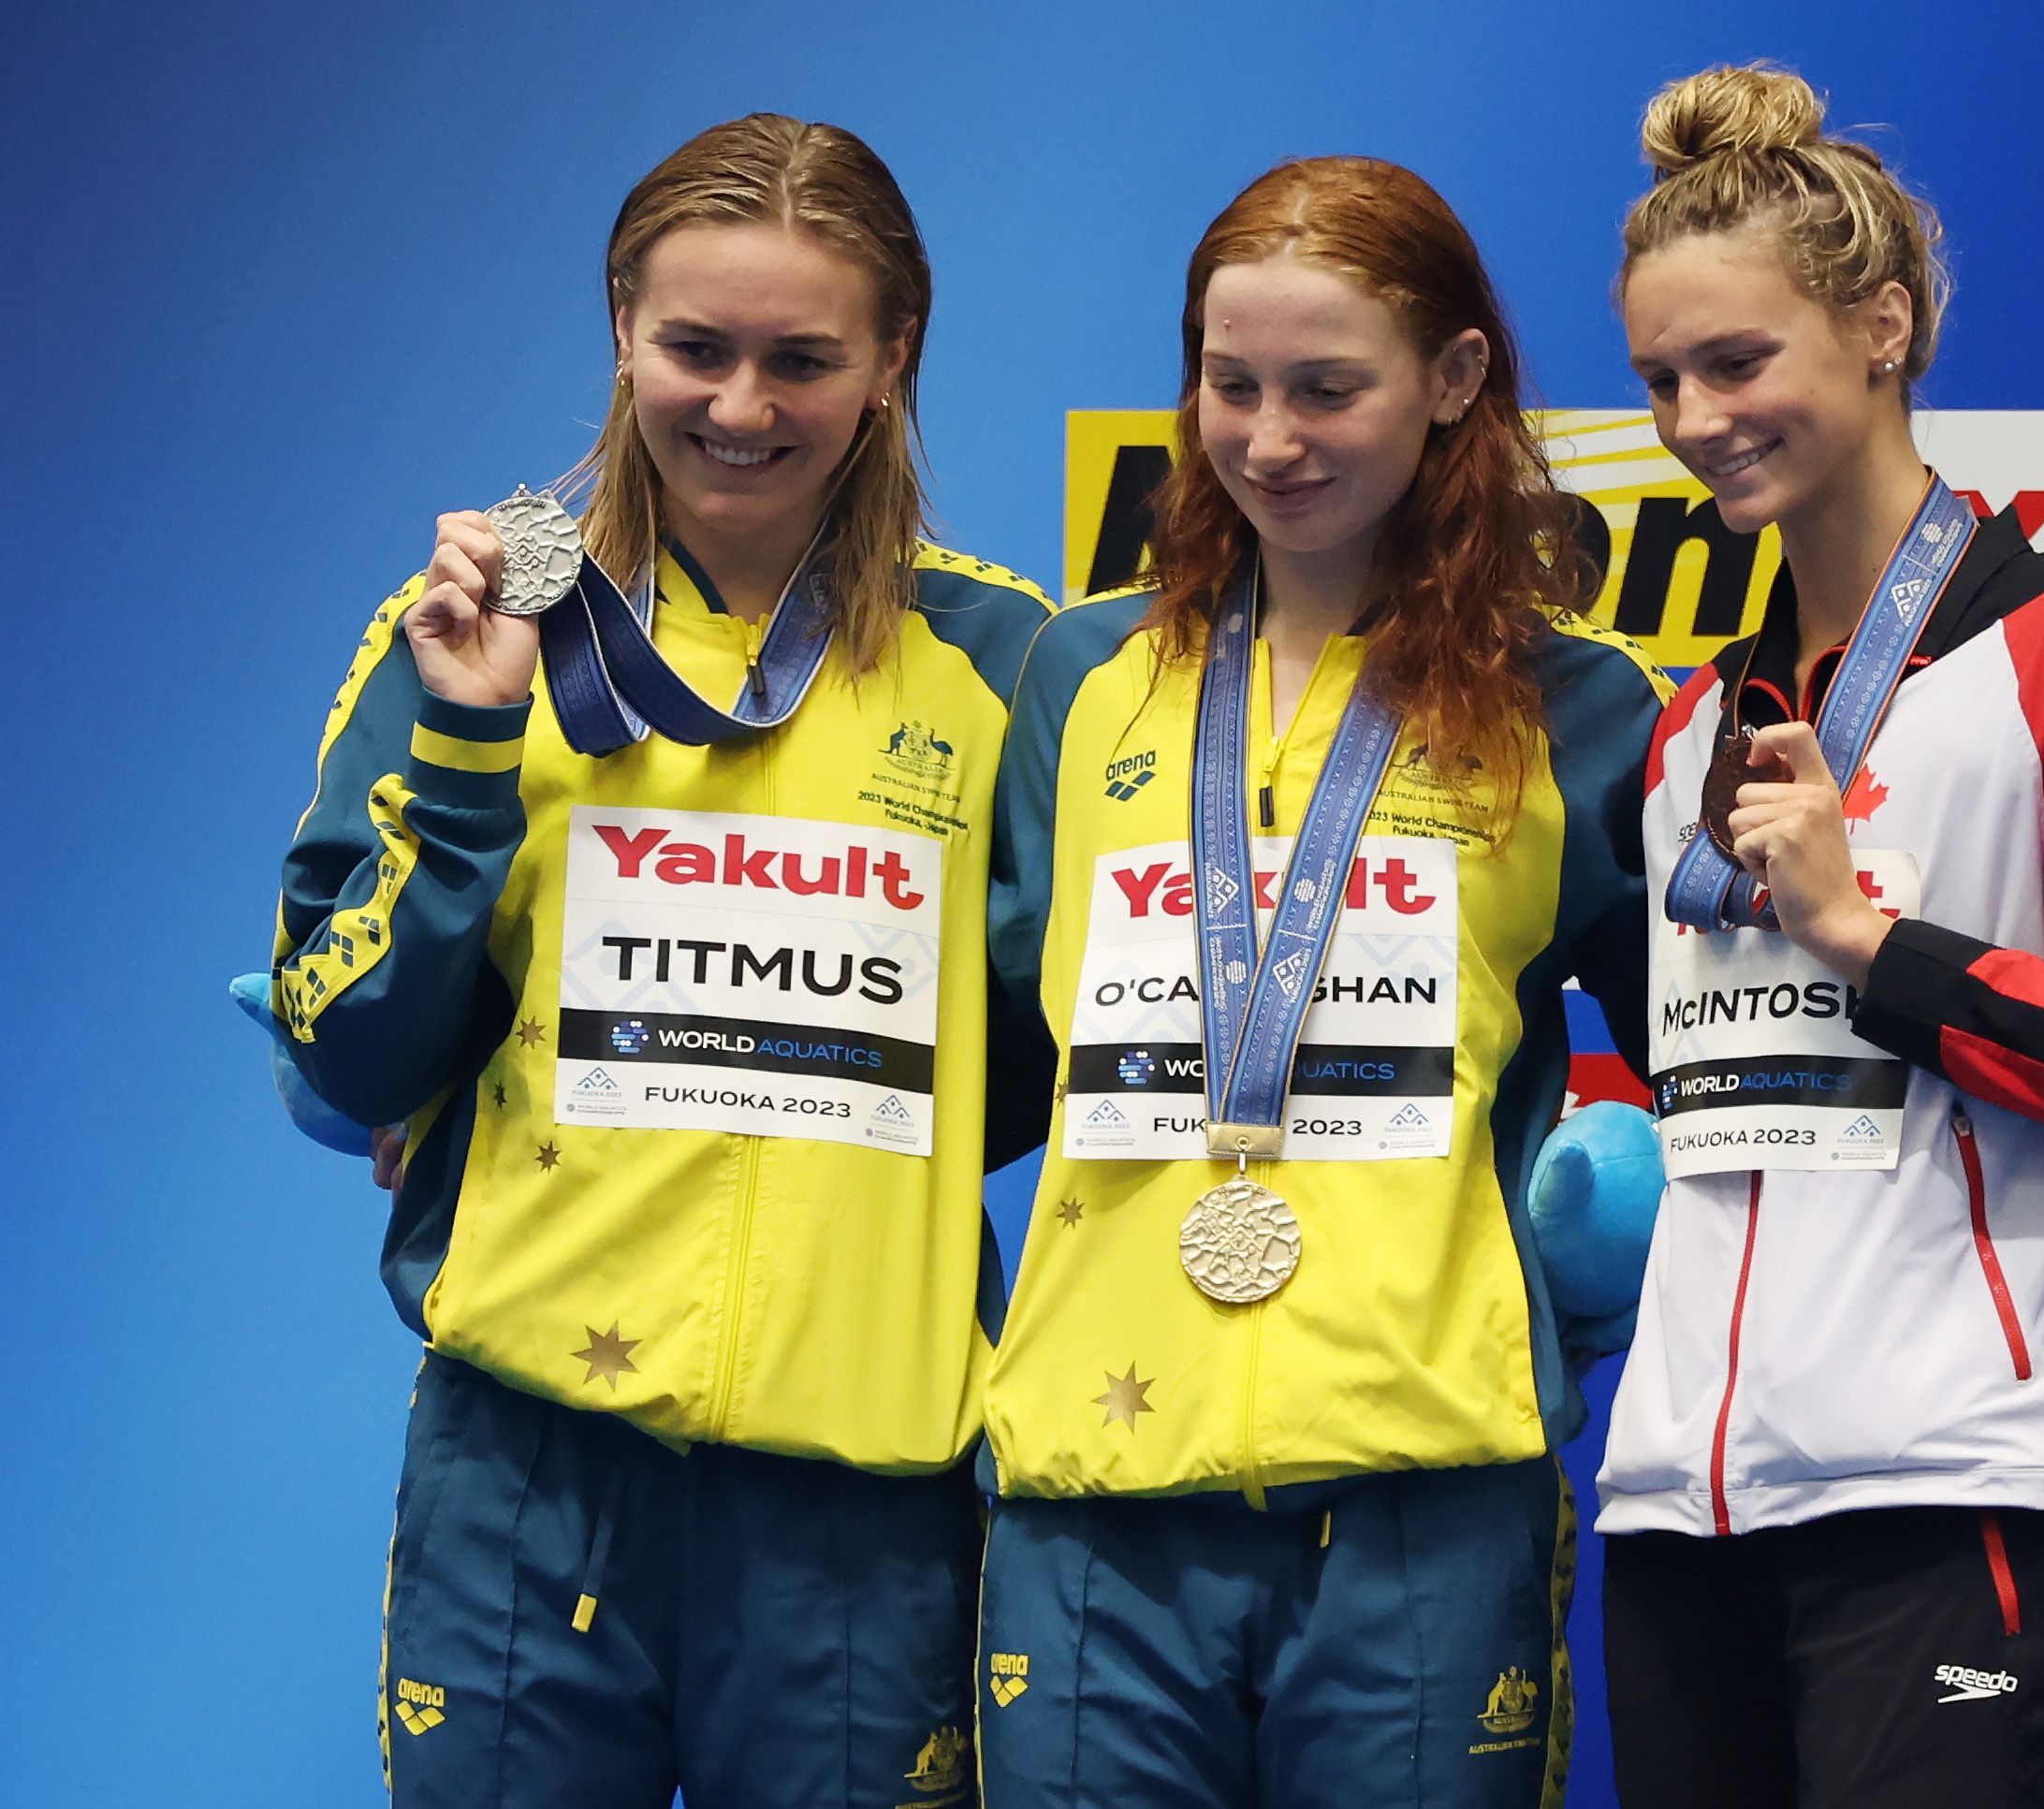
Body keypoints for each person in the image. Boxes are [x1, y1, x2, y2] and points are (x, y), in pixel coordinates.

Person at [267, 113, 1050, 1809]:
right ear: (620, 326)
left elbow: (1042, 1055)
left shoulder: (1010, 666)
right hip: (529, 1477)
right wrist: (471, 756)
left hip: (862, 1497)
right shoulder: (472, 632)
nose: (743, 408)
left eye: (804, 358)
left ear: (895, 356)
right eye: (695, 347)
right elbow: (338, 1055)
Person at [1596, 66, 2044, 1808]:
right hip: (1684, 1488)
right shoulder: (1686, 733)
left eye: (1738, 362)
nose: (1694, 416)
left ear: (1883, 326)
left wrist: (1863, 934)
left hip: (1951, 1470)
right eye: (1662, 377)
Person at [975, 155, 1670, 1808]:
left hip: (1426, 1492)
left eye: (1327, 389)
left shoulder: (1582, 710)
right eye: (1232, 385)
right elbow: (978, 1052)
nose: (1269, 439)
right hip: (1096, 1491)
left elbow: (1718, 1066)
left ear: (1455, 381)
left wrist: (1591, 1259)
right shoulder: (1080, 679)